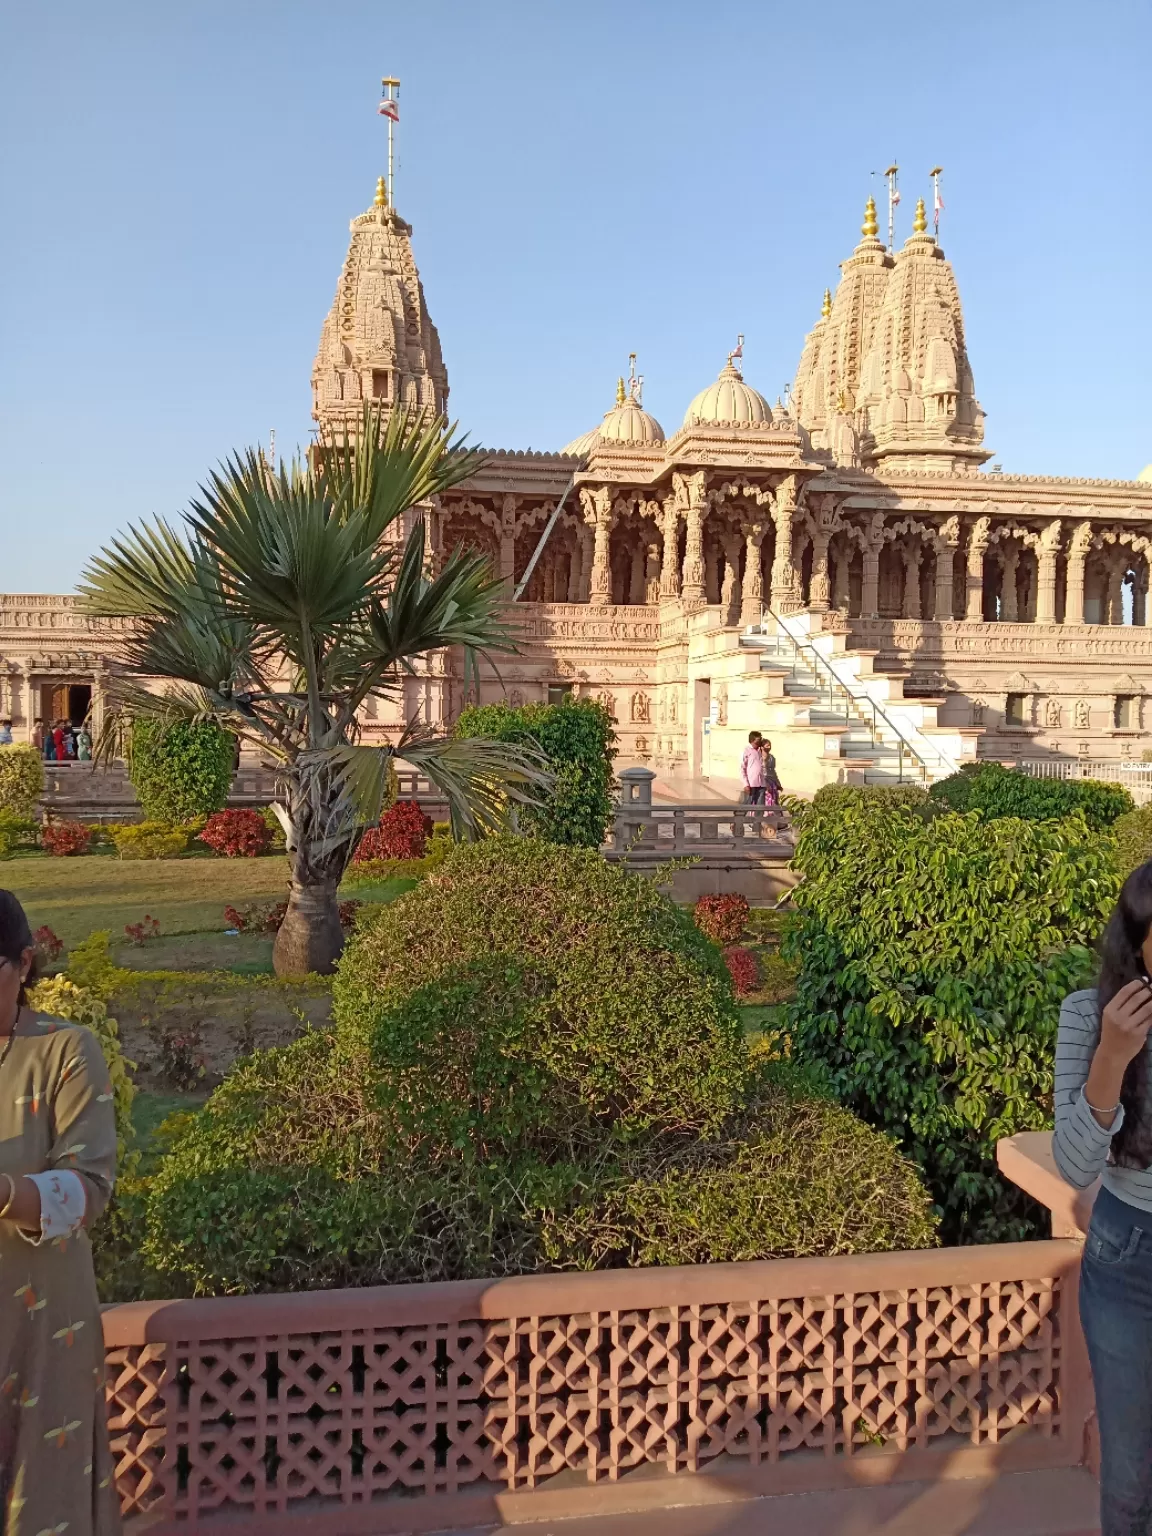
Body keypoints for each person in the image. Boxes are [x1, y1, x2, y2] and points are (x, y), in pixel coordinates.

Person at [0, 889, 121, 1534]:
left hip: (41, 1325)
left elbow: (86, 1189)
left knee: (43, 1500)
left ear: (23, 965)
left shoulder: (65, 1051)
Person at [1054, 861, 1152, 1536]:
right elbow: (1073, 1163)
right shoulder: (1090, 1015)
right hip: (1129, 1263)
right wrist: (1112, 1059)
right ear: (1138, 939)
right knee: (1130, 1485)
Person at [739, 730, 765, 804]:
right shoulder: (746, 750)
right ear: (752, 740)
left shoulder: (761, 750)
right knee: (747, 805)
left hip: (761, 783)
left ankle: (758, 816)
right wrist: (745, 784)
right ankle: (740, 816)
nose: (759, 742)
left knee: (760, 807)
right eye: (758, 741)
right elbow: (742, 768)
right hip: (751, 784)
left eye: (760, 740)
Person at [760, 738, 783, 807]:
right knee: (763, 800)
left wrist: (778, 783)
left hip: (772, 782)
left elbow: (773, 771)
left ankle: (772, 816)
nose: (769, 747)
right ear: (762, 747)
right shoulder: (758, 757)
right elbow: (758, 772)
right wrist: (764, 783)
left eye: (770, 745)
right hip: (761, 782)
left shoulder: (772, 758)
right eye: (767, 746)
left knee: (773, 800)